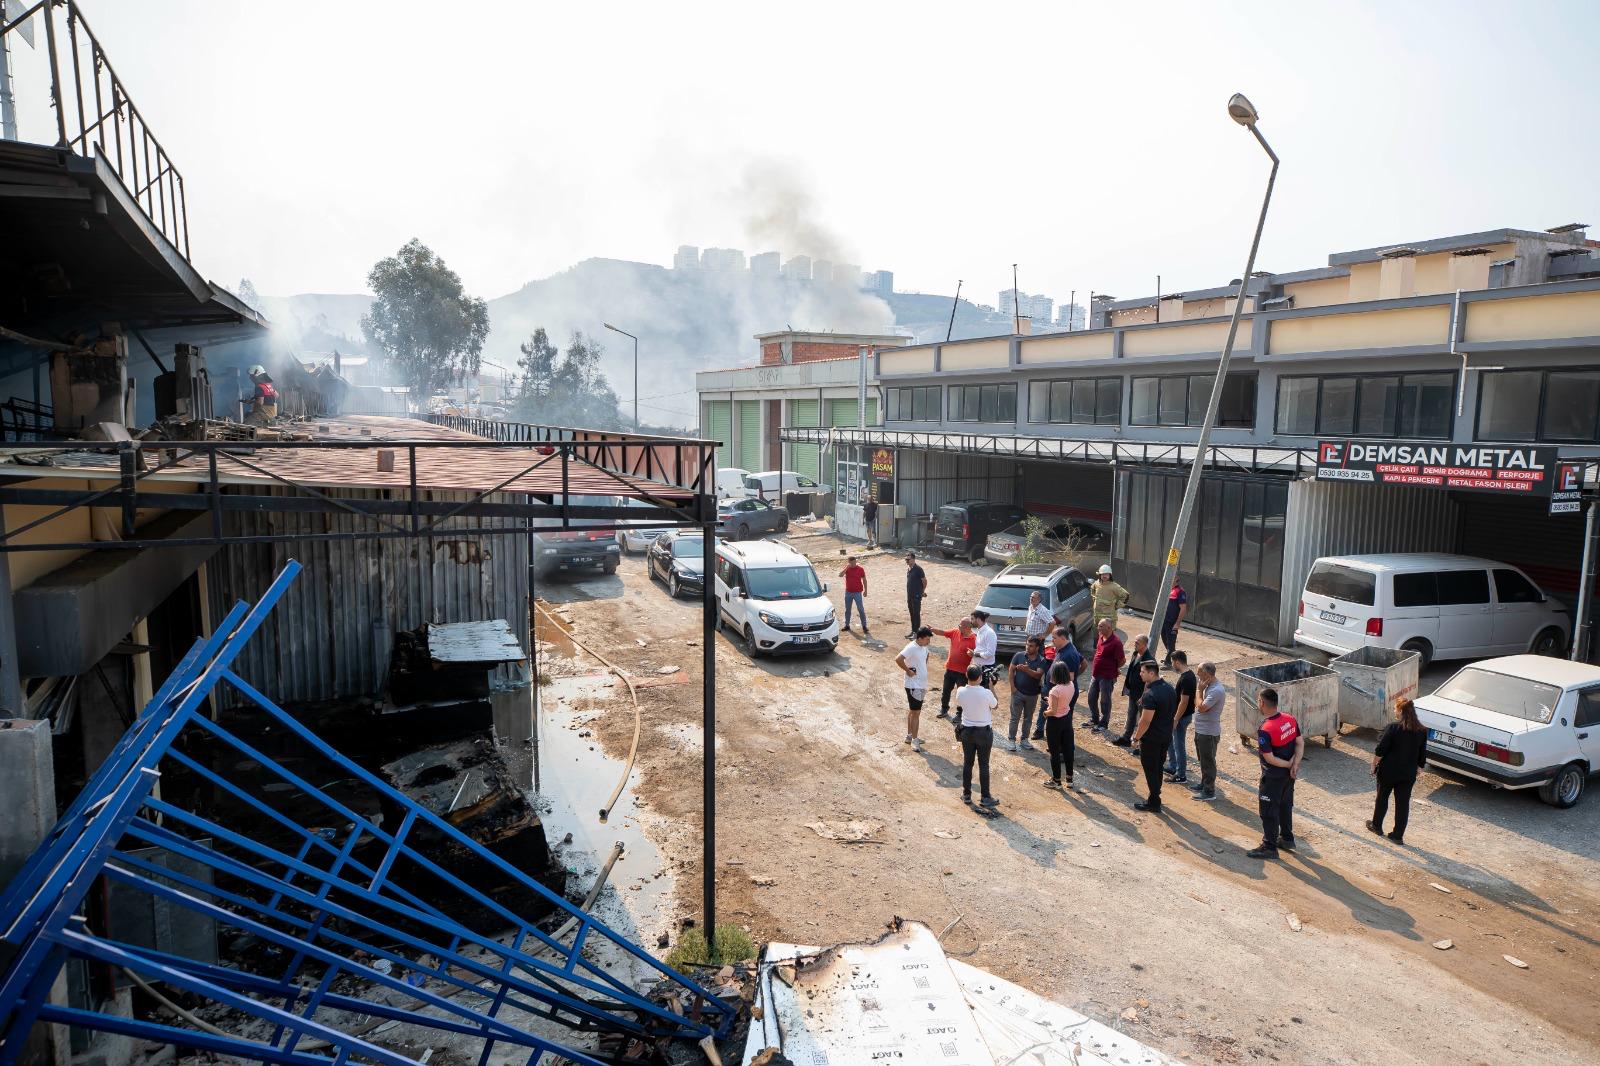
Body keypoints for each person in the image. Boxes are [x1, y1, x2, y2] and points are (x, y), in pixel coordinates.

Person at [1247, 688, 1304, 860]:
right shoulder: (1290, 719)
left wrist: (1288, 765)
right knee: (1285, 805)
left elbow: (1269, 758)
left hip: (1272, 777)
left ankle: (1269, 846)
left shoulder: (1265, 729)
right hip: (1289, 777)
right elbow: (1300, 743)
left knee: (1269, 811)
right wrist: (1295, 764)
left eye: (1258, 700)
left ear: (1262, 703)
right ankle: (1287, 838)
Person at [1367, 697, 1428, 844]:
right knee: (1403, 803)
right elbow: (1422, 752)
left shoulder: (1393, 727)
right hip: (1408, 773)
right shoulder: (1422, 730)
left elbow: (1381, 749)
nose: (1394, 711)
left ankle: (1376, 826)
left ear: (1400, 711)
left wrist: (1374, 765)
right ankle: (1397, 835)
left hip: (1388, 771)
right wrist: (1419, 767)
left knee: (1382, 798)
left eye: (1395, 708)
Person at [1130, 661, 1177, 813]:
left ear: (1152, 673)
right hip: (1165, 736)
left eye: (1143, 672)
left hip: (1151, 739)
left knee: (1151, 769)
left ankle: (1154, 801)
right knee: (1158, 767)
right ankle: (1154, 796)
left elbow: (1145, 720)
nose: (1140, 674)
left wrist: (1136, 738)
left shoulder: (1151, 695)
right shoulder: (1169, 688)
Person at [953, 665, 999, 808]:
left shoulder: (960, 691)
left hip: (967, 731)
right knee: (983, 764)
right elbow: (995, 705)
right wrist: (991, 687)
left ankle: (966, 794)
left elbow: (961, 702)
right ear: (980, 677)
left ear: (967, 675)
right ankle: (985, 797)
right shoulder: (986, 693)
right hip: (984, 732)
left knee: (968, 763)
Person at [1033, 628, 1082, 742]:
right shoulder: (1062, 648)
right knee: (1047, 709)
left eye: (1054, 638)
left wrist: (1056, 688)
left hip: (1060, 694)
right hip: (1052, 689)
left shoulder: (1069, 654)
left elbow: (1071, 676)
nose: (1052, 640)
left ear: (1063, 638)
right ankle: (1042, 732)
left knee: (1060, 719)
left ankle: (1059, 745)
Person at [1188, 662, 1225, 801]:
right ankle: (1204, 783)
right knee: (1202, 759)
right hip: (1202, 730)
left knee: (1208, 761)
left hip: (1208, 733)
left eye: (1199, 672)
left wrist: (1198, 690)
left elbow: (1201, 707)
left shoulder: (1216, 690)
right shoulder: (1208, 687)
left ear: (1207, 674)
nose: (1197, 675)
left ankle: (1209, 791)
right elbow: (1196, 703)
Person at [1113, 634, 1156, 747]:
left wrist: (1143, 696)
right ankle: (1127, 738)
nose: (1134, 644)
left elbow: (1150, 681)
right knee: (1131, 715)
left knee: (1143, 719)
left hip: (1142, 694)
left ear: (1145, 644)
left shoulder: (1149, 660)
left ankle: (1142, 744)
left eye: (1137, 643)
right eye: (1135, 642)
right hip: (1133, 692)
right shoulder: (1135, 654)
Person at [1006, 636, 1047, 751]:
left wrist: (1026, 670)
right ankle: (1011, 740)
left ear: (1037, 647)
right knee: (1015, 717)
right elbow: (1011, 669)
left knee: (1028, 718)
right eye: (1027, 645)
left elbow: (1038, 675)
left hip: (1032, 695)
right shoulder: (1019, 655)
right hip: (1017, 693)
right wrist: (1013, 687)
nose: (1028, 647)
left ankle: (1024, 740)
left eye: (1031, 646)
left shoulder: (1042, 660)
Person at [896, 627, 934, 752]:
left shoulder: (924, 647)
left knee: (913, 712)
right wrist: (908, 671)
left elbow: (926, 656)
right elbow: (898, 659)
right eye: (927, 639)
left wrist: (921, 669)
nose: (928, 642)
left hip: (920, 684)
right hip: (913, 686)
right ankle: (915, 740)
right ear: (920, 638)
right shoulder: (911, 647)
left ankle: (910, 736)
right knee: (916, 713)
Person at [1042, 661, 1078, 790]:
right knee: (1068, 749)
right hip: (1067, 719)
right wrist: (1051, 701)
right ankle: (1069, 779)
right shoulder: (1071, 685)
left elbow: (1053, 711)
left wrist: (1045, 713)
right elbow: (1063, 702)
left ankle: (1056, 781)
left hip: (1055, 723)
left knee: (1054, 751)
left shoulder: (1055, 690)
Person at [1165, 651, 1197, 785]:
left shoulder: (1186, 679)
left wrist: (1176, 719)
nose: (1172, 665)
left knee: (1179, 746)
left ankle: (1181, 775)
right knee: (1172, 742)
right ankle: (1173, 767)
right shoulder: (1188, 675)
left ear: (1177, 662)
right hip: (1181, 716)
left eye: (1172, 662)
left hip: (1181, 717)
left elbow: (1184, 702)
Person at [1087, 619, 1124, 733]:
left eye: (1101, 626)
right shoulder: (1101, 636)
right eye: (1098, 626)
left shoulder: (1116, 642)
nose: (1098, 628)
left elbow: (1121, 660)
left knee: (1105, 700)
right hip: (1096, 674)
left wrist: (1113, 668)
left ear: (1109, 628)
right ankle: (1094, 719)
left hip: (1107, 676)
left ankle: (1104, 723)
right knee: (1091, 697)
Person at [936, 619, 977, 719]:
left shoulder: (975, 639)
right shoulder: (955, 632)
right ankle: (944, 709)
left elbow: (977, 655)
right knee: (946, 691)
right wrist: (932, 630)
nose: (958, 627)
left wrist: (973, 654)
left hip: (963, 673)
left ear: (968, 627)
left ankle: (959, 714)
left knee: (961, 694)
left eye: (961, 626)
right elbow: (943, 632)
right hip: (950, 669)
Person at [1090, 564, 1129, 631]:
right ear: (1100, 575)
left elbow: (1125, 596)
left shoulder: (1114, 586)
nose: (1104, 576)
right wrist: (1094, 600)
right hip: (1097, 618)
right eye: (1103, 574)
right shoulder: (1096, 584)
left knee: (1108, 638)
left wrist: (1117, 605)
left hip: (1109, 619)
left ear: (1110, 575)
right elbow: (1092, 590)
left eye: (1106, 574)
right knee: (1096, 638)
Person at [1160, 580, 1188, 668]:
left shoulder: (1180, 591)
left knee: (1171, 642)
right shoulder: (1168, 589)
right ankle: (1174, 658)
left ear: (1176, 579)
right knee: (1165, 639)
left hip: (1172, 622)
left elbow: (1183, 608)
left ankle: (1168, 662)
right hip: (1164, 621)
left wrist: (1177, 624)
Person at [839, 556, 869, 635]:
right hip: (848, 592)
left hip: (857, 593)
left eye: (854, 562)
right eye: (851, 563)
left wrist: (866, 590)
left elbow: (864, 580)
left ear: (856, 561)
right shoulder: (847, 568)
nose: (852, 564)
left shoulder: (860, 569)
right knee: (847, 610)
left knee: (861, 609)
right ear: (849, 562)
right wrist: (846, 568)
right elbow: (840, 575)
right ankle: (847, 625)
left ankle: (864, 626)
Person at [970, 610, 999, 687]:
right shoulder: (980, 631)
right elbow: (980, 648)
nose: (971, 621)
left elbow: (990, 653)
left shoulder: (989, 633)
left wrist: (974, 654)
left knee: (984, 694)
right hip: (978, 667)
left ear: (978, 619)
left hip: (986, 669)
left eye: (972, 619)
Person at [904, 552, 928, 638]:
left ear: (913, 559)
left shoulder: (918, 569)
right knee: (911, 613)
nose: (906, 561)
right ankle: (913, 631)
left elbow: (924, 581)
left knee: (916, 614)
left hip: (916, 596)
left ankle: (917, 633)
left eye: (908, 559)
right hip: (909, 596)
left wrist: (922, 591)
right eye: (906, 559)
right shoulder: (909, 569)